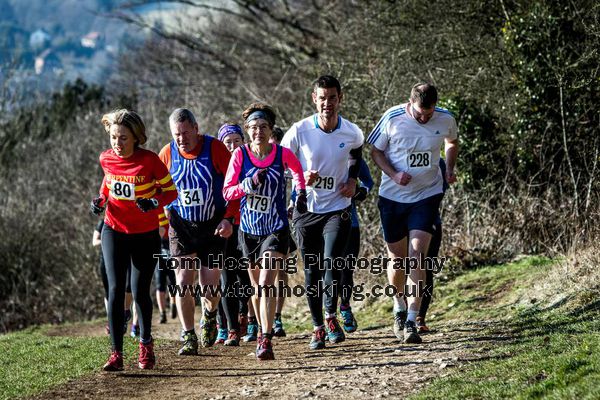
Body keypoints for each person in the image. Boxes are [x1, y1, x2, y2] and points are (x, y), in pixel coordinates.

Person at [367, 83, 458, 344]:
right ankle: (398, 306)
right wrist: (394, 174)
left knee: (417, 255)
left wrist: (449, 168)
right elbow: (375, 151)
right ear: (410, 103)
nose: (424, 118)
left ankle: (412, 320)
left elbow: (452, 141)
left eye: (428, 114)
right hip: (393, 197)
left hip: (426, 196)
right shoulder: (392, 117)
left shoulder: (445, 117)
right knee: (397, 259)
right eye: (420, 113)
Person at [90, 109, 178, 371]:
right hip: (114, 229)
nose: (117, 143)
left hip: (145, 234)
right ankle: (116, 353)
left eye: (123, 138)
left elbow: (170, 192)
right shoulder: (106, 158)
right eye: (114, 138)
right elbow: (108, 185)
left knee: (140, 292)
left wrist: (153, 202)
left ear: (136, 137)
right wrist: (100, 201)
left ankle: (145, 344)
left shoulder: (150, 161)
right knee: (116, 291)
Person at [281, 75, 364, 350]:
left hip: (337, 209)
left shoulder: (352, 131)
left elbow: (356, 153)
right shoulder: (299, 130)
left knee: (333, 263)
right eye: (322, 98)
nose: (327, 103)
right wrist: (301, 176)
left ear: (340, 98)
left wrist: (352, 180)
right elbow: (279, 163)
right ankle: (317, 327)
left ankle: (330, 317)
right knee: (313, 271)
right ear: (313, 99)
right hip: (306, 209)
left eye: (332, 97)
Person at [223, 103, 306, 360]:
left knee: (266, 283)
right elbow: (228, 192)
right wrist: (247, 184)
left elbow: (298, 174)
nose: (258, 132)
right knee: (257, 289)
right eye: (253, 128)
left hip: (275, 228)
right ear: (247, 130)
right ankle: (261, 332)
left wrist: (299, 195)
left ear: (271, 130)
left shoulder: (281, 154)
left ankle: (266, 338)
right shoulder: (240, 156)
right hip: (248, 231)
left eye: (263, 127)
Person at [158, 108, 235, 356]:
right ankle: (188, 335)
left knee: (210, 286)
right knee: (183, 282)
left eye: (185, 132)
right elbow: (157, 189)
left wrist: (228, 218)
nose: (181, 139)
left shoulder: (215, 149)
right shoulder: (167, 153)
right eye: (176, 134)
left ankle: (210, 315)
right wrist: (164, 214)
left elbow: (233, 186)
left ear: (196, 128)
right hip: (181, 226)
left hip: (212, 226)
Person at [217, 122, 253, 346]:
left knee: (246, 277)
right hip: (224, 227)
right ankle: (226, 327)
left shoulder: (249, 162)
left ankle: (246, 317)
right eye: (227, 142)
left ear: (243, 141)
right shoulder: (217, 166)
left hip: (247, 226)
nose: (231, 146)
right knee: (224, 277)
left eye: (236, 141)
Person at [268, 126, 298, 337]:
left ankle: (277, 317)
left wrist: (293, 202)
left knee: (281, 272)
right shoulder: (251, 159)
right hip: (256, 224)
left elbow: (299, 181)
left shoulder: (286, 160)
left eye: (275, 144)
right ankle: (256, 319)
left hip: (280, 223)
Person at [339, 159, 374, 333]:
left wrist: (360, 191)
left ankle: (345, 307)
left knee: (346, 270)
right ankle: (328, 315)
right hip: (320, 222)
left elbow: (368, 181)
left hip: (349, 222)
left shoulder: (353, 157)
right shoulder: (316, 151)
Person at [154, 210, 177, 324]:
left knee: (173, 282)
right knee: (159, 284)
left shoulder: (172, 209)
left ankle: (173, 304)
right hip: (159, 250)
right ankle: (162, 313)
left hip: (172, 245)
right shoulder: (155, 210)